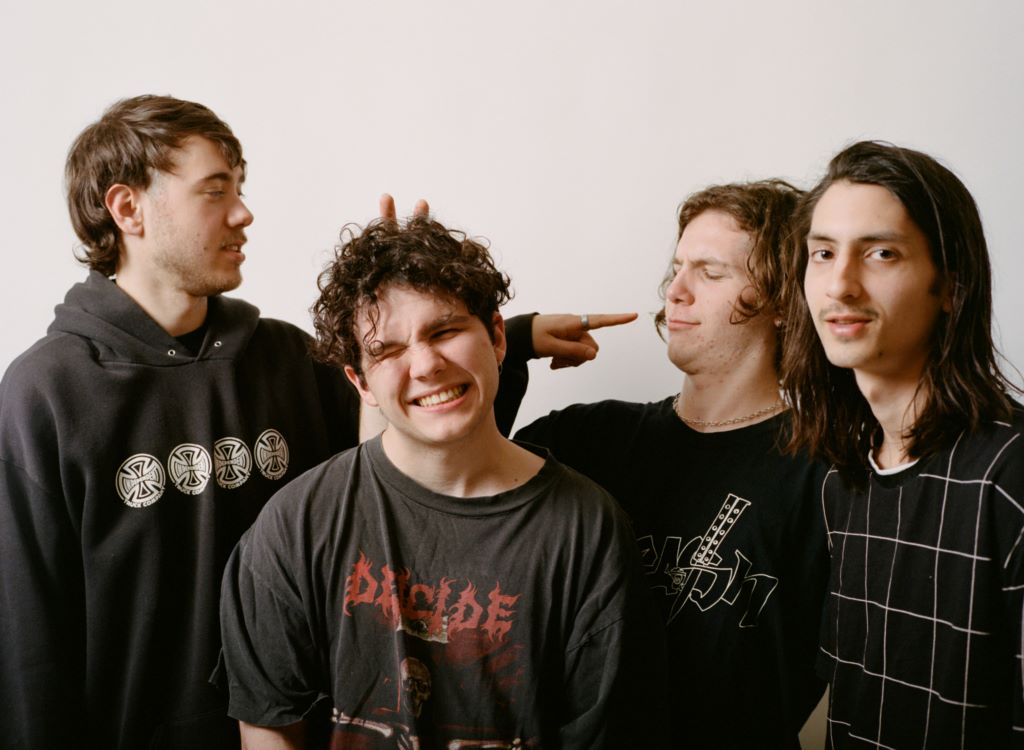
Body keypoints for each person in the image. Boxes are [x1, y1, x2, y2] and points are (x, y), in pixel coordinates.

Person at [0, 95, 367, 749]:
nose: (243, 212)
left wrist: (491, 332)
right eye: (215, 190)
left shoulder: (288, 360)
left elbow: (406, 446)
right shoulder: (47, 392)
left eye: (240, 188)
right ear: (128, 209)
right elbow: (29, 646)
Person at [218, 215, 667, 748]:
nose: (426, 365)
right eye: (388, 350)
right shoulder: (296, 525)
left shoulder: (588, 531)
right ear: (360, 383)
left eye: (445, 331)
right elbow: (271, 730)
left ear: (497, 336)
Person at [515, 180, 829, 748]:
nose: (676, 291)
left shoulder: (827, 474)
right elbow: (440, 491)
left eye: (710, 273)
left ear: (784, 302)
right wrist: (508, 343)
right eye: (678, 268)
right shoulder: (586, 439)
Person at [782, 140, 1024, 748]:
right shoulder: (845, 478)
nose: (840, 285)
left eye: (881, 253)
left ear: (951, 286)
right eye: (822, 253)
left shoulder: (1011, 474)